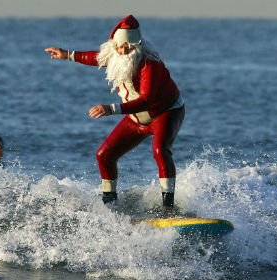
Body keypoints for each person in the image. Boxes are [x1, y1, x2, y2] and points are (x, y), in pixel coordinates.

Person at [45, 15, 185, 213]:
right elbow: (95, 58)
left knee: (160, 151)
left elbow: (147, 100)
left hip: (164, 113)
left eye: (128, 47)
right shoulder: (115, 54)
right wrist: (67, 54)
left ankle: (167, 209)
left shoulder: (149, 64)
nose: (123, 51)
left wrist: (111, 109)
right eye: (120, 46)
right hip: (136, 117)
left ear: (137, 45)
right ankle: (110, 206)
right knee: (104, 154)